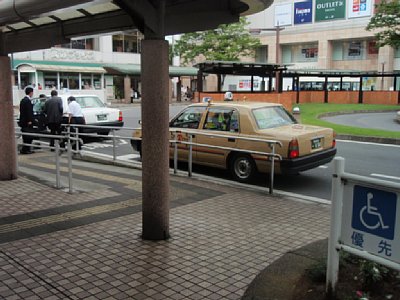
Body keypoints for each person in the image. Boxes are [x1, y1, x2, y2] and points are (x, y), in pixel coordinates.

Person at [19, 87, 35, 154]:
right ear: (30, 92)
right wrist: (30, 120)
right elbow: (28, 112)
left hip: (23, 121)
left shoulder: (23, 100)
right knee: (28, 136)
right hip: (27, 122)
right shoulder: (27, 101)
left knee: (25, 136)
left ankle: (25, 149)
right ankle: (26, 149)